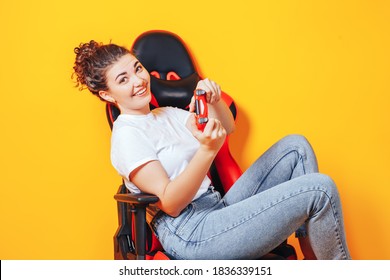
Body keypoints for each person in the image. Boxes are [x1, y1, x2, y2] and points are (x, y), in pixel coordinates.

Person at [72, 40, 351, 260]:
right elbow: (170, 203)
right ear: (107, 95)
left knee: (296, 147)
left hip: (216, 208)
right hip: (190, 232)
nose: (138, 80)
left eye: (137, 68)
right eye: (123, 79)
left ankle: (313, 258)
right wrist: (206, 151)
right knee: (320, 188)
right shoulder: (127, 136)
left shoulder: (166, 114)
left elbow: (227, 127)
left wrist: (215, 101)